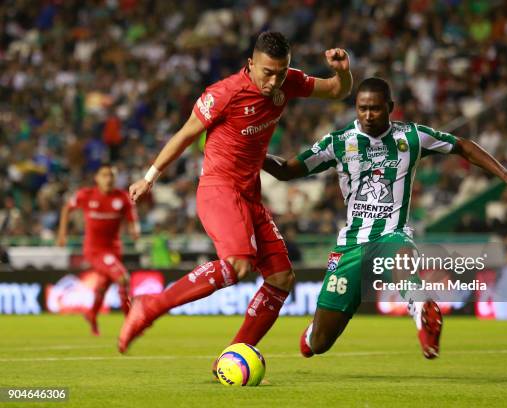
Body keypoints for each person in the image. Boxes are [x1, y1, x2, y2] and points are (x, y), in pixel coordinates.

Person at [262, 78, 507, 359]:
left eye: (375, 108)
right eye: (362, 108)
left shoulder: (411, 137)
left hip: (392, 234)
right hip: (351, 245)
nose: (368, 115)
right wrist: (252, 153)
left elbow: (462, 145)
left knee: (401, 257)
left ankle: (422, 313)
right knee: (319, 344)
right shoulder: (339, 142)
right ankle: (313, 334)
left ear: (390, 107)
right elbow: (288, 170)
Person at [118, 31, 353, 369]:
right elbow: (185, 134)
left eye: (281, 72)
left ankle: (230, 358)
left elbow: (336, 90)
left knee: (281, 278)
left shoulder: (290, 82)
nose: (274, 80)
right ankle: (150, 307)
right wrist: (149, 176)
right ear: (250, 64)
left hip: (250, 194)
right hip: (218, 188)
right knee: (238, 265)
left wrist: (343, 72)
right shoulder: (224, 94)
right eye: (267, 72)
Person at [56, 164, 140, 335]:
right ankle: (131, 323)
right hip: (94, 250)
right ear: (96, 178)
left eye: (110, 175)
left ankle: (91, 315)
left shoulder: (122, 198)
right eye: (104, 175)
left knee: (102, 286)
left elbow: (132, 219)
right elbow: (66, 208)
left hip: (115, 250)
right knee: (122, 278)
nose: (108, 179)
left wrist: (134, 230)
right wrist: (62, 233)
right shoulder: (86, 195)